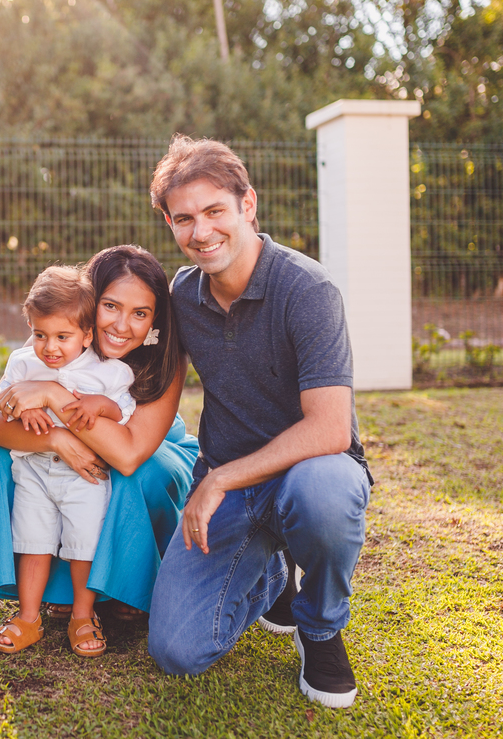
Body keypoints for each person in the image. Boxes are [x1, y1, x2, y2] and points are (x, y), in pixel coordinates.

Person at [145, 136, 373, 709]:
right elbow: (139, 371)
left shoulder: (307, 289)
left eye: (215, 211)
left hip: (309, 473)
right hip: (232, 485)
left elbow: (330, 430)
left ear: (248, 205)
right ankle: (273, 577)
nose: (201, 232)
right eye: (184, 219)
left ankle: (318, 629)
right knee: (177, 650)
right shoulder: (183, 292)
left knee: (324, 491)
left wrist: (217, 480)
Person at [0, 246, 199, 632]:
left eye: (140, 314)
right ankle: (56, 588)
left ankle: (127, 587)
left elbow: (128, 453)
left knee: (134, 475)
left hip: (154, 448)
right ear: (89, 303)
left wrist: (54, 395)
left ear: (154, 320)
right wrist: (55, 442)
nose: (122, 325)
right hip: (68, 441)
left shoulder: (164, 357)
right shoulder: (58, 339)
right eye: (110, 306)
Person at [0, 265, 136, 657]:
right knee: (33, 543)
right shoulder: (22, 364)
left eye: (62, 336)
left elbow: (121, 412)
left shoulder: (109, 371)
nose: (49, 347)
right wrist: (22, 413)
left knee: (83, 545)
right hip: (34, 471)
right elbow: (3, 408)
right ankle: (28, 617)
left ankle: (82, 616)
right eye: (40, 335)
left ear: (87, 335)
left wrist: (97, 405)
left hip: (85, 476)